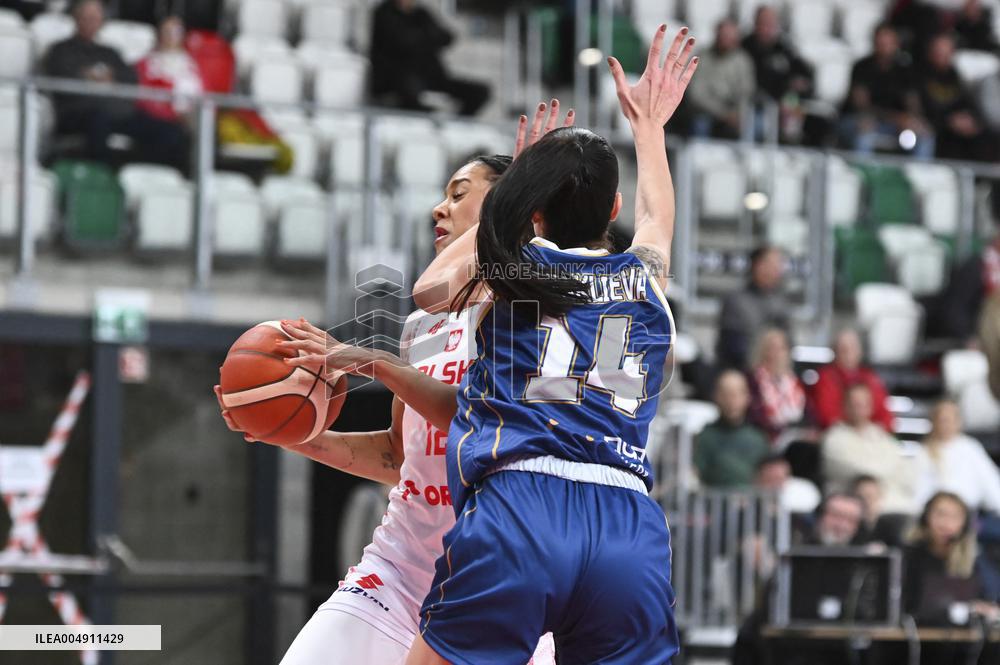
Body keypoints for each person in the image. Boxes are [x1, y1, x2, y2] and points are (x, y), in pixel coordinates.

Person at [382, 25, 696, 664]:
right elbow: (659, 216)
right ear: (612, 206)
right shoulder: (646, 277)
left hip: (523, 507)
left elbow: (428, 290)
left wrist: (508, 199)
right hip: (629, 521)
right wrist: (650, 127)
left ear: (530, 210)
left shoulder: (512, 269)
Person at [216, 101, 572, 663]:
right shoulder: (424, 324)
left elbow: (488, 420)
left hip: (505, 588)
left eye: (459, 194)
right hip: (399, 573)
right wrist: (289, 432)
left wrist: (370, 362)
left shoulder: (540, 308)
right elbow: (393, 456)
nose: (439, 206)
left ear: (511, 205)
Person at [43, 0, 189, 169]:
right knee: (99, 121)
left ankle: (143, 174)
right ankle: (104, 177)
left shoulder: (110, 53)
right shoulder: (60, 50)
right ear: (76, 18)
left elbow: (130, 79)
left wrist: (96, 77)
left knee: (172, 132)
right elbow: (62, 77)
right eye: (87, 17)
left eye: (96, 18)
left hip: (118, 113)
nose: (91, 21)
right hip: (80, 114)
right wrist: (92, 77)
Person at [370, 0, 490, 116]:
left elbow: (447, 37)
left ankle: (455, 125)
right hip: (399, 79)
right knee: (410, 89)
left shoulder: (421, 14)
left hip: (430, 77)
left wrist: (423, 38)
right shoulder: (385, 13)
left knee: (480, 92)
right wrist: (428, 38)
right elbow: (403, 42)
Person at [821, 384, 922, 515]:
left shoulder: (882, 436)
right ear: (844, 406)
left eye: (864, 403)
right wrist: (884, 470)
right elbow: (858, 470)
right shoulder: (833, 437)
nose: (860, 408)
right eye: (855, 403)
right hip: (847, 498)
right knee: (866, 490)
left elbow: (900, 466)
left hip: (889, 498)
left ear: (871, 406)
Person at [839, 22, 934, 158]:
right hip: (858, 120)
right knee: (865, 132)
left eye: (888, 43)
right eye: (880, 42)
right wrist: (897, 118)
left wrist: (912, 120)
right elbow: (862, 106)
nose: (884, 47)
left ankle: (918, 175)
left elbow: (913, 104)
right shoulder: (862, 67)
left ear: (896, 44)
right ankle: (865, 175)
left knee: (924, 134)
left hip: (892, 125)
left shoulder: (905, 70)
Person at [903, 492, 1000, 624]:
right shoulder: (908, 557)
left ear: (965, 524)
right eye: (941, 515)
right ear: (925, 519)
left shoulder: (973, 561)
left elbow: (985, 600)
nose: (946, 523)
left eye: (955, 517)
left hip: (963, 637)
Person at [916, 33, 996, 161]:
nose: (943, 56)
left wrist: (970, 119)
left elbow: (967, 103)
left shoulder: (956, 76)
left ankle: (987, 179)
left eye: (947, 52)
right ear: (930, 53)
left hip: (958, 129)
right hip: (935, 128)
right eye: (939, 52)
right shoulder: (920, 78)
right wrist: (949, 121)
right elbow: (921, 109)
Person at [741, 6, 814, 143]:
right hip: (754, 104)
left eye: (771, 24)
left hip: (784, 103)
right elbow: (749, 83)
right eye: (763, 23)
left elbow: (804, 76)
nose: (767, 28)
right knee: (760, 122)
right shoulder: (745, 47)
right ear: (755, 24)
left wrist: (797, 87)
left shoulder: (785, 48)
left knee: (802, 116)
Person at [917, 399, 1000, 515]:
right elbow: (919, 491)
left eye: (950, 420)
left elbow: (990, 481)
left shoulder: (970, 447)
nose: (946, 425)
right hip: (935, 515)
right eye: (942, 420)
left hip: (967, 514)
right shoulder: (924, 451)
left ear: (958, 422)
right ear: (934, 422)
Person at [715, 246, 790, 371]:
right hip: (744, 374)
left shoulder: (781, 302)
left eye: (779, 264)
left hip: (775, 374)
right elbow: (732, 348)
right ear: (758, 265)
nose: (778, 269)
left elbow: (789, 341)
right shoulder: (736, 301)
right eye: (773, 264)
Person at [695, 370, 771, 489]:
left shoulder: (758, 439)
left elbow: (767, 479)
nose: (731, 401)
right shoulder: (705, 437)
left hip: (752, 503)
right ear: (716, 396)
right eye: (726, 394)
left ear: (747, 397)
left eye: (736, 394)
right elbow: (697, 477)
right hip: (714, 504)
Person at [810, 328, 894, 432]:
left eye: (852, 347)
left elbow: (886, 417)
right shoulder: (826, 378)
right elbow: (827, 416)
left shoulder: (870, 378)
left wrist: (872, 429)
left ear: (860, 350)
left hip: (870, 434)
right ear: (835, 351)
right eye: (843, 348)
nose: (848, 352)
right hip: (840, 433)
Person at [686, 18, 755, 139]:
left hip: (733, 112)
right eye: (724, 35)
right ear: (716, 34)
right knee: (701, 123)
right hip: (705, 111)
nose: (726, 40)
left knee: (753, 122)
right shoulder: (701, 57)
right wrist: (723, 114)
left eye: (730, 36)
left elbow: (746, 92)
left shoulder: (743, 60)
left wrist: (738, 113)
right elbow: (696, 95)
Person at [135, 16, 203, 125]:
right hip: (161, 120)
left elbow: (204, 93)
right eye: (167, 31)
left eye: (176, 31)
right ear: (159, 34)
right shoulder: (146, 64)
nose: (172, 36)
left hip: (193, 117)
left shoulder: (194, 65)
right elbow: (144, 99)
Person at [747, 328, 806, 441]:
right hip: (764, 437)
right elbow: (755, 417)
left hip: (795, 436)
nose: (776, 354)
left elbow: (809, 415)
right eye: (771, 348)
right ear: (761, 352)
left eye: (781, 348)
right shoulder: (753, 381)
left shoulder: (794, 382)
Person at [755, 454, 820, 514]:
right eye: (769, 479)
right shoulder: (752, 494)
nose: (775, 484)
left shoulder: (805, 489)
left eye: (778, 478)